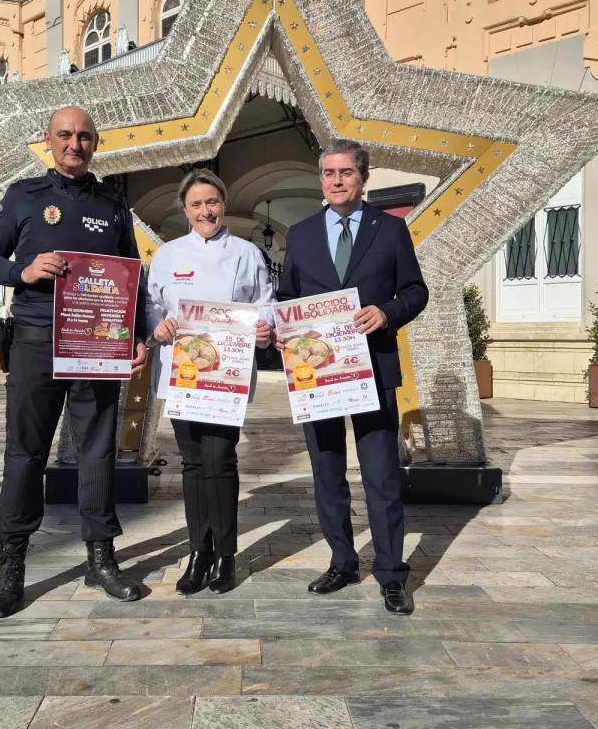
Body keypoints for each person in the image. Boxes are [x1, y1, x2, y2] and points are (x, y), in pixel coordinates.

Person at [0, 105, 150, 617]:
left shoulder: (113, 203)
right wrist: (22, 272)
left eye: (85, 137)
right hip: (34, 340)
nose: (75, 144)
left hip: (96, 345)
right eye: (65, 136)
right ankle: (11, 566)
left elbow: (130, 274)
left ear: (96, 144)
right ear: (48, 140)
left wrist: (136, 334)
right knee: (25, 453)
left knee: (97, 452)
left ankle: (101, 558)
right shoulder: (24, 196)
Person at [277, 139, 429, 615]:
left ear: (362, 178)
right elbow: (286, 299)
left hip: (372, 369)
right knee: (326, 473)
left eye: (345, 172)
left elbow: (416, 291)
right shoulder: (300, 234)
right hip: (316, 374)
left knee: (381, 476)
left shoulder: (391, 231)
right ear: (321, 179)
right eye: (328, 173)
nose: (336, 181)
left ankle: (390, 574)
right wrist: (283, 332)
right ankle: (342, 561)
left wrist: (386, 313)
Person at [146, 170, 275, 595]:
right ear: (185, 211)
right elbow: (150, 303)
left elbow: (265, 303)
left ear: (223, 204)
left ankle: (225, 555)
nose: (206, 211)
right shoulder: (167, 255)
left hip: (226, 375)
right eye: (197, 204)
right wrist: (157, 327)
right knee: (192, 462)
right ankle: (198, 550)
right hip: (183, 374)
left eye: (213, 202)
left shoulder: (247, 252)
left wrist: (264, 327)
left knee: (220, 460)